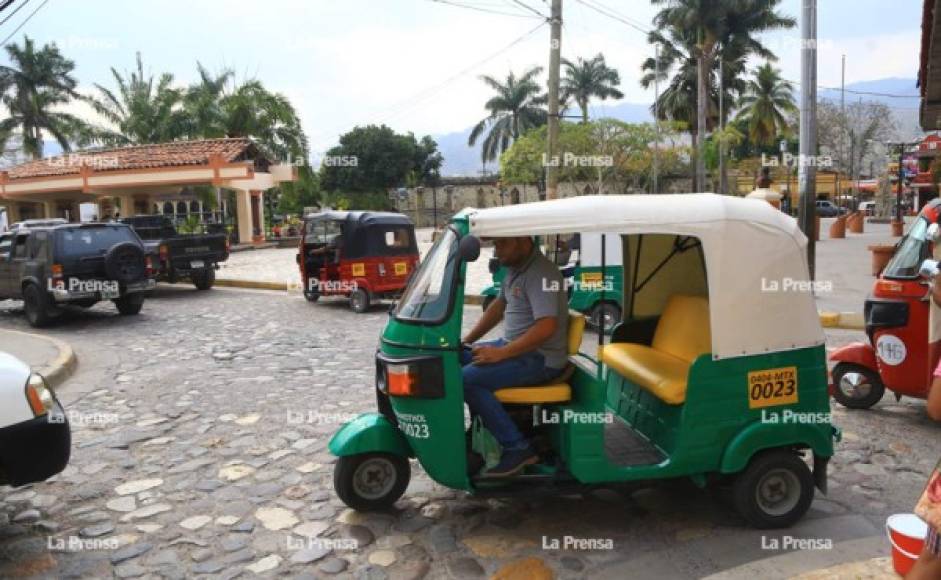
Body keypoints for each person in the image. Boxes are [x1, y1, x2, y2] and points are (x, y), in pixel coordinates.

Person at [461, 236, 569, 478]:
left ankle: (517, 447)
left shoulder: (541, 274)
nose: (497, 252)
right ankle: (485, 429)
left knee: (466, 379)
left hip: (541, 358)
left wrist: (500, 354)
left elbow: (546, 327)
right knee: (453, 358)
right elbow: (498, 307)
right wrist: (466, 342)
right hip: (515, 349)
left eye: (501, 244)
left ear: (521, 241)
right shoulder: (516, 269)